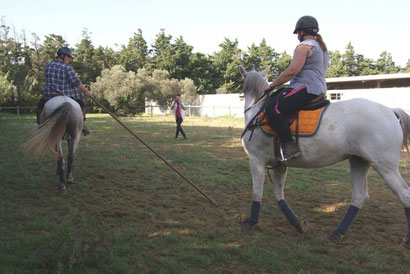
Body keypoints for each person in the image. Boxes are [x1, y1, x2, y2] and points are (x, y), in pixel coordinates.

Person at [264, 15, 329, 160]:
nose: (297, 36)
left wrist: (272, 85)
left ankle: (288, 146)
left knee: (272, 108)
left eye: (297, 33)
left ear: (301, 32)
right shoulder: (322, 48)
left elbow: (292, 71)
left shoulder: (303, 47)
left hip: (305, 87)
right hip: (319, 88)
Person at [36, 46, 92, 136]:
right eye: (68, 57)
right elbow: (76, 81)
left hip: (49, 95)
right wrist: (85, 91)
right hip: (65, 95)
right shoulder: (66, 67)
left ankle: (40, 122)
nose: (69, 59)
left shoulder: (48, 66)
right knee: (81, 103)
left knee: (40, 105)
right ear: (62, 56)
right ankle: (82, 125)